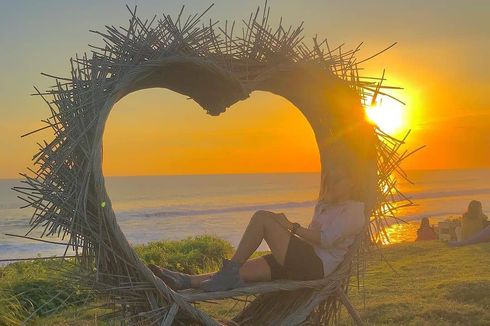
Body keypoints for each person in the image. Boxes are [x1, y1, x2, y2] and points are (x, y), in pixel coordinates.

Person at [148, 162, 366, 292]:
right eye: (330, 179)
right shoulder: (326, 205)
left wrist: (290, 227)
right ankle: (183, 280)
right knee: (240, 271)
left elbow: (326, 239)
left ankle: (228, 272)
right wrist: (291, 231)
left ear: (352, 183)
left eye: (338, 180)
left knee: (263, 218)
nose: (331, 183)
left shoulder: (355, 211)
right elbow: (312, 238)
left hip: (316, 267)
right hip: (304, 256)